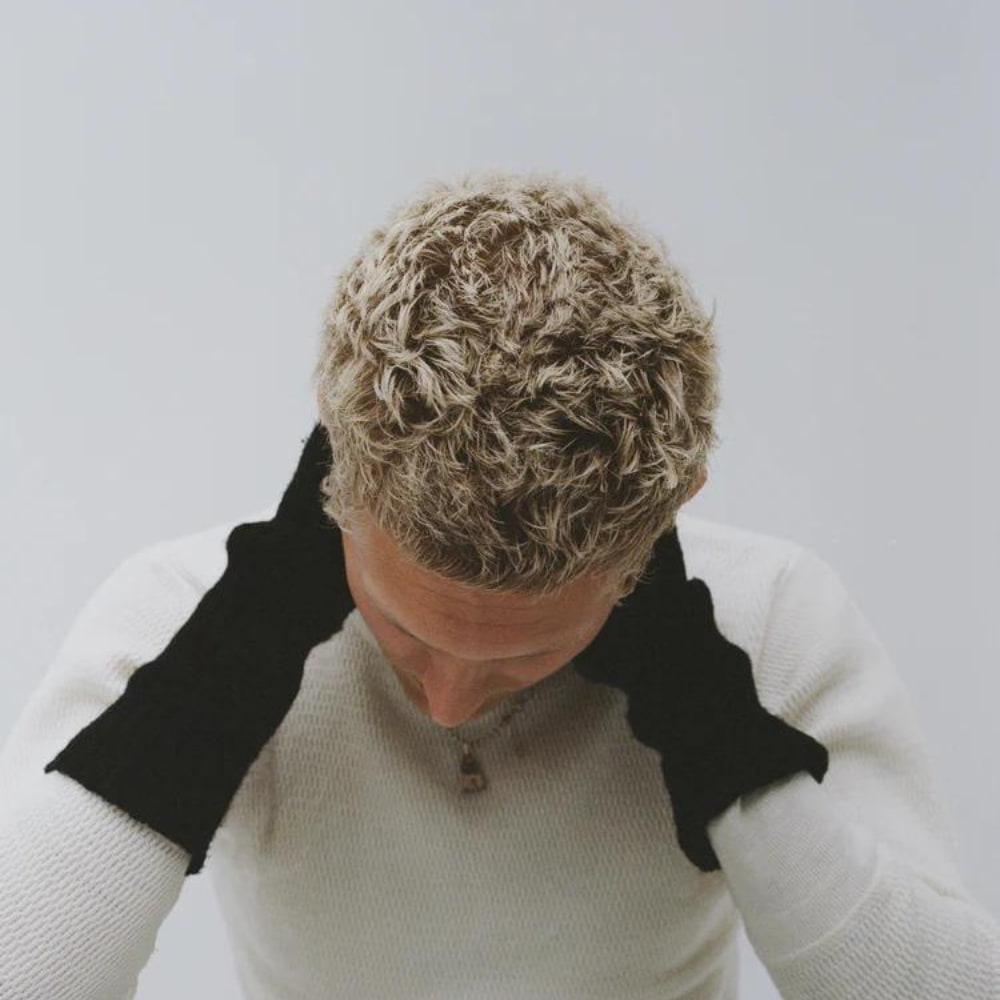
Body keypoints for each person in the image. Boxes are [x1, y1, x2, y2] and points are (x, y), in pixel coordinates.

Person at [1, 171, 997, 1000]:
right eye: (409, 631)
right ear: (338, 469)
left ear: (665, 519)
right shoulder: (182, 615)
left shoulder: (767, 615)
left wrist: (730, 752)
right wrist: (211, 686)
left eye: (526, 651)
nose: (448, 702)